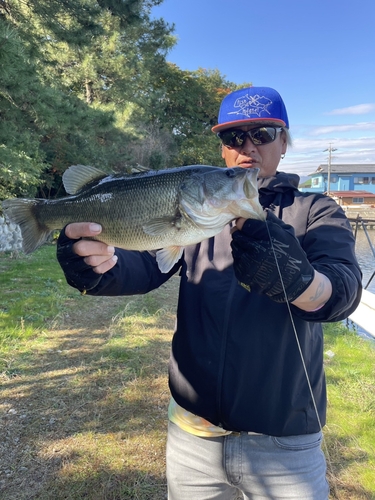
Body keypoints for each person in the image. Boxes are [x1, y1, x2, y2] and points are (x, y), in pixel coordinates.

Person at [56, 86, 362, 499]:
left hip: (285, 441)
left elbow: (343, 291)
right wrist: (92, 269)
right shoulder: (199, 217)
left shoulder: (317, 211)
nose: (248, 147)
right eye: (234, 137)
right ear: (222, 149)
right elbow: (141, 267)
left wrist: (301, 281)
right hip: (191, 437)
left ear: (285, 142)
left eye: (264, 133)